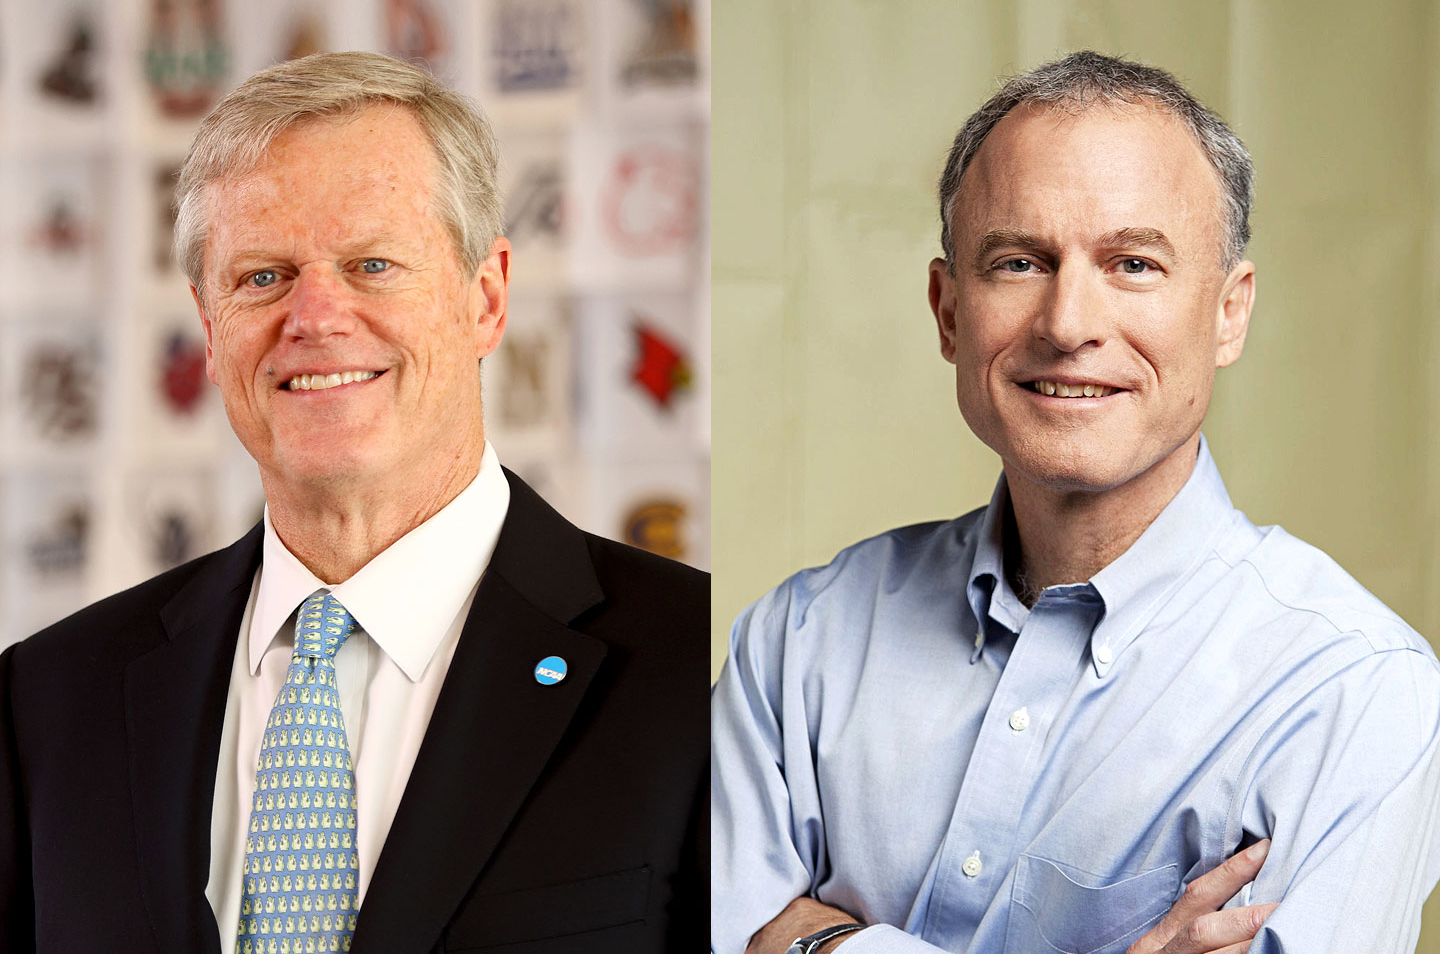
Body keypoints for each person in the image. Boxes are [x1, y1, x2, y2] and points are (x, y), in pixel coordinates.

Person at [711, 51, 1440, 954]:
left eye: (1133, 264)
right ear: (947, 311)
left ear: (1230, 313)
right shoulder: (794, 645)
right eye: (1018, 262)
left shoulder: (1352, 692)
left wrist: (814, 942)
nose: (1066, 323)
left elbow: (755, 932)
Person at [0, 52, 706, 953]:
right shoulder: (50, 699)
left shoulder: (695, 665)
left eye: (372, 264)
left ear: (485, 298)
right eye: (262, 277)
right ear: (210, 330)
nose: (316, 316)